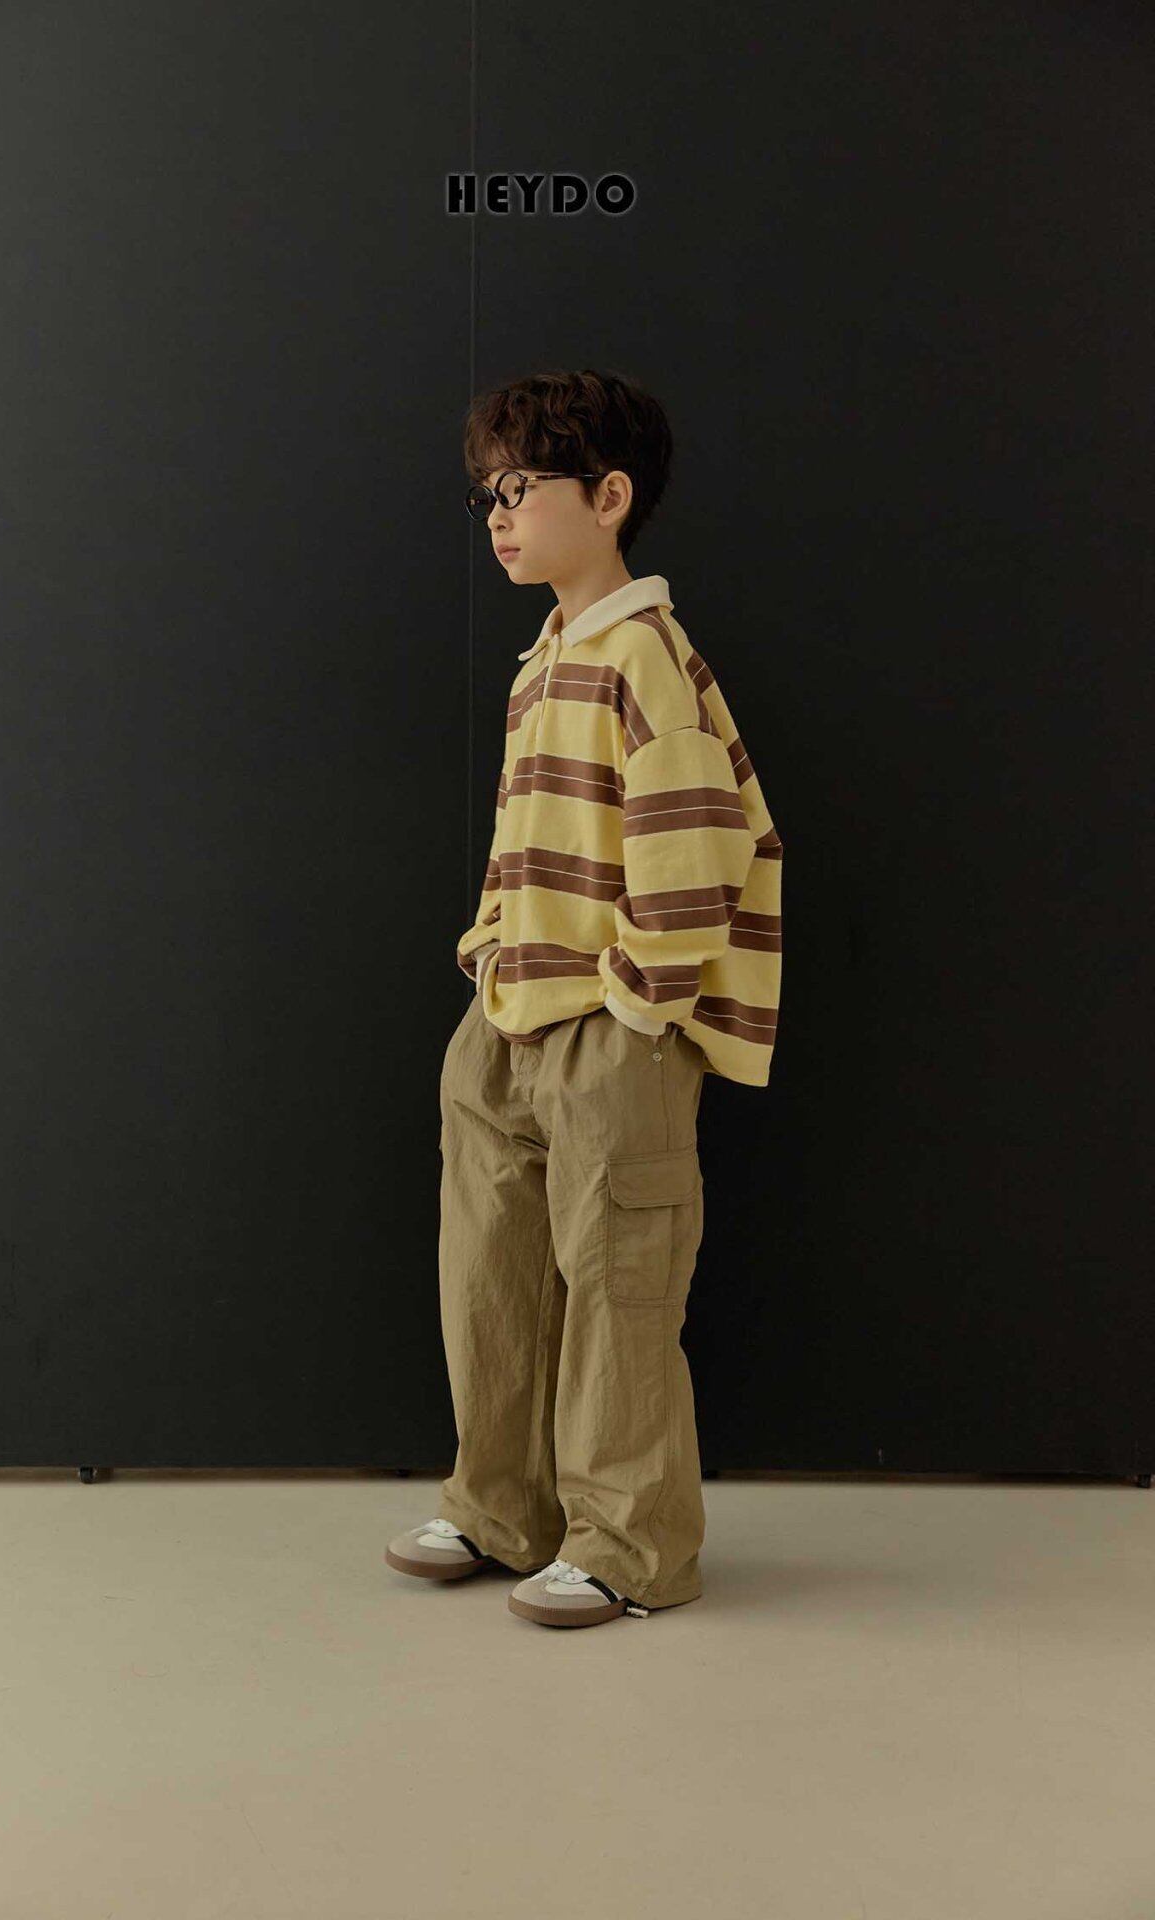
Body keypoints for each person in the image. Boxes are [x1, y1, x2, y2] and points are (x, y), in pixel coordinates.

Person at [385, 368, 783, 1628]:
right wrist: (486, 952)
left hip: (611, 1032)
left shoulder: (643, 656)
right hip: (511, 1016)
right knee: (489, 1276)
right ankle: (500, 1507)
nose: (497, 515)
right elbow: (526, 837)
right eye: (485, 496)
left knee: (618, 1288)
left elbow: (698, 843)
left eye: (520, 489)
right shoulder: (545, 660)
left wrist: (637, 1004)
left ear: (607, 499)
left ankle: (627, 1547)